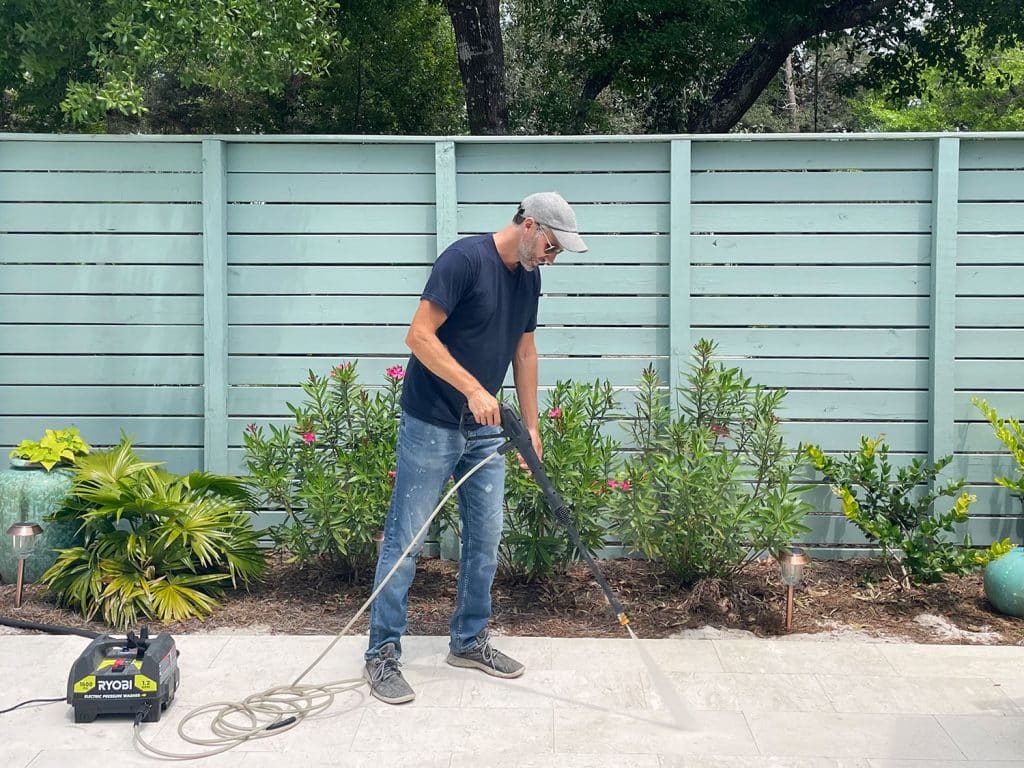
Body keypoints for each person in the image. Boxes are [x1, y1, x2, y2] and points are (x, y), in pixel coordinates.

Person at [363, 192, 588, 704]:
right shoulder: (463, 261)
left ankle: (467, 640)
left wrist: (531, 427)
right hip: (432, 421)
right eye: (552, 247)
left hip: (485, 429)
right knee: (407, 539)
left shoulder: (528, 278)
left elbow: (524, 351)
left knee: (486, 537)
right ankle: (381, 653)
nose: (552, 260)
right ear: (529, 226)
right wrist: (472, 387)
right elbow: (418, 337)